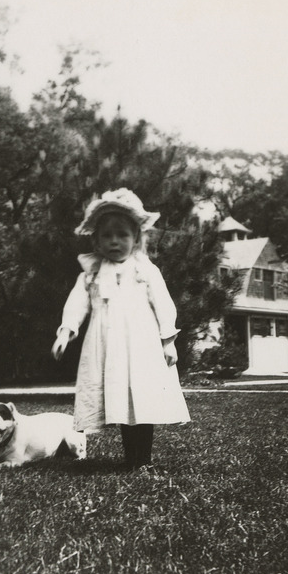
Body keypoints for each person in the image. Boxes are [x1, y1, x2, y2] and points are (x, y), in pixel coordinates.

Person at [52, 188, 190, 471]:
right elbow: (77, 304)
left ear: (136, 238)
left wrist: (168, 341)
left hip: (141, 345)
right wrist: (66, 331)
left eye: (122, 235)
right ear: (96, 240)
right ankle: (131, 458)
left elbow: (163, 304)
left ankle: (143, 459)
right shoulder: (91, 273)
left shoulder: (145, 270)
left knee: (141, 398)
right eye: (107, 235)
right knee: (123, 402)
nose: (114, 241)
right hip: (107, 347)